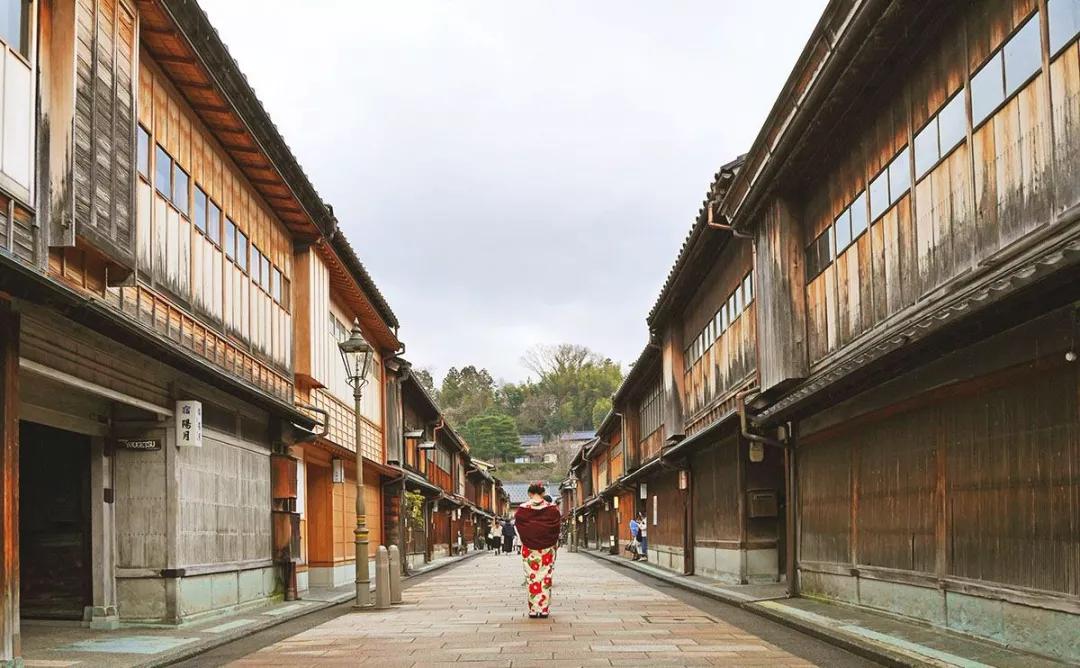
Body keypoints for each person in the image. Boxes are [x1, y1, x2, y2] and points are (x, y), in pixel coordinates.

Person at [513, 482, 561, 618]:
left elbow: (519, 527)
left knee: (532, 577)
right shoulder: (552, 509)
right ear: (543, 494)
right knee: (546, 576)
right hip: (547, 547)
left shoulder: (522, 509)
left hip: (529, 547)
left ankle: (533, 609)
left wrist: (527, 537)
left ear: (529, 493)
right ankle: (544, 608)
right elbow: (556, 528)